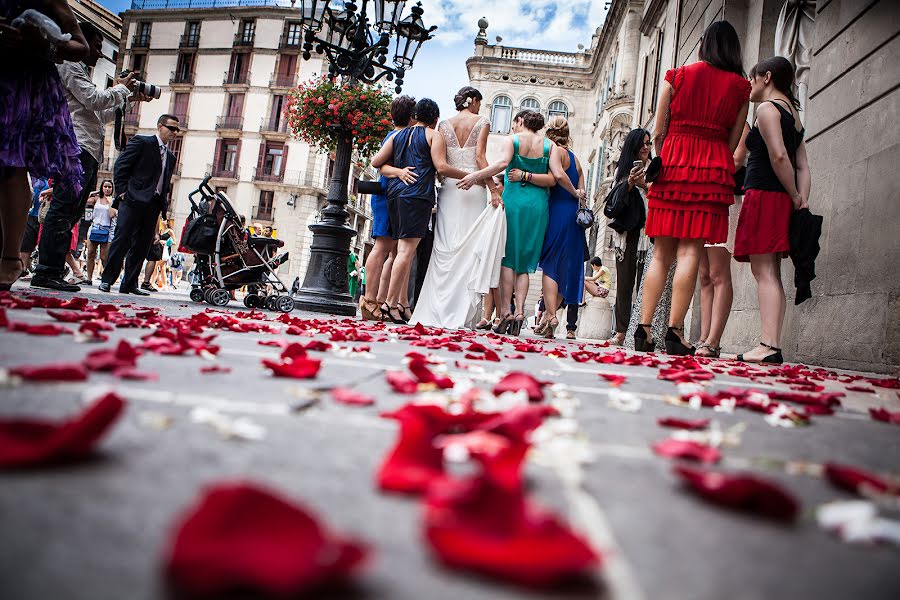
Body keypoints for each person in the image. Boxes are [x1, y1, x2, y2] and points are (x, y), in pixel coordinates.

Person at [637, 20, 750, 355]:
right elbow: (733, 141)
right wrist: (711, 153)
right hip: (712, 167)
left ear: (704, 44)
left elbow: (658, 132)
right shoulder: (741, 88)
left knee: (661, 253)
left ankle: (644, 331)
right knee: (690, 252)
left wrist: (665, 155)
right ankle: (674, 333)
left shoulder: (677, 75)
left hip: (673, 163)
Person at [31, 20, 143, 292]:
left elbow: (99, 114)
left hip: (87, 149)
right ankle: (46, 271)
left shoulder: (80, 71)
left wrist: (128, 98)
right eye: (95, 46)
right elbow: (94, 99)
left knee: (71, 213)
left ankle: (53, 271)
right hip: (75, 147)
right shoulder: (69, 65)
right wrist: (122, 89)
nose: (99, 53)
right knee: (63, 210)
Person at [459, 110, 581, 337]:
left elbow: (503, 164)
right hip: (537, 205)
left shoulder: (512, 140)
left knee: (508, 259)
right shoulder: (549, 146)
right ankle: (520, 311)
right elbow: (555, 178)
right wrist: (574, 192)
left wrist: (475, 176)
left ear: (520, 121)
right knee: (524, 262)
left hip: (513, 202)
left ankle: (505, 311)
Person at [0, 0, 89, 290]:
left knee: (12, 164)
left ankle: (10, 259)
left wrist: (42, 43)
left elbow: (81, 47)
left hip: (25, 81)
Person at [733, 56, 810, 364]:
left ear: (766, 77)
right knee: (770, 272)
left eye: (752, 79)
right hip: (779, 196)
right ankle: (771, 344)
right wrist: (801, 197)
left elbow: (779, 157)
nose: (750, 85)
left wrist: (793, 194)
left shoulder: (766, 109)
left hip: (765, 193)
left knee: (764, 271)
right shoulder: (794, 114)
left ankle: (769, 344)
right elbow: (802, 163)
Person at [409, 86, 506, 329]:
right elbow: (481, 159)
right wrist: (492, 188)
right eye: (479, 104)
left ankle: (436, 308)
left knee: (444, 248)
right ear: (472, 101)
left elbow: (439, 164)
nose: (479, 109)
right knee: (469, 248)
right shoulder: (482, 121)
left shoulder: (442, 125)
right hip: (473, 188)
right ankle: (461, 313)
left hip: (450, 190)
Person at [371, 98, 441, 325]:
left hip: (394, 195)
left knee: (399, 252)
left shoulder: (397, 136)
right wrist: (470, 176)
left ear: (416, 115)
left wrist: (399, 172)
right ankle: (389, 303)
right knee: (405, 253)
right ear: (435, 119)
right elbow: (441, 168)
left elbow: (376, 163)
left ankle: (395, 303)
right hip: (417, 195)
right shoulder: (432, 135)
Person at [99, 114, 179, 295]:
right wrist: (122, 193)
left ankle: (129, 284)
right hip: (132, 200)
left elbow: (164, 182)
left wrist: (161, 206)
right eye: (171, 128)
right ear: (160, 127)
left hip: (153, 205)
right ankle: (107, 280)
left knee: (142, 245)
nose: (175, 132)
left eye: (177, 129)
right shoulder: (142, 142)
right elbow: (121, 166)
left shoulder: (170, 157)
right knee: (122, 240)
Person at [529, 116, 587, 339]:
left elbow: (558, 175)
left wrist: (571, 192)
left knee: (551, 265)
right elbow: (583, 190)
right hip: (574, 217)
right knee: (565, 267)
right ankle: (549, 318)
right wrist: (578, 197)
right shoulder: (575, 157)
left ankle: (551, 314)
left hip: (558, 211)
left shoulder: (555, 151)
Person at [696, 122, 751, 357]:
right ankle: (703, 336)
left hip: (727, 200)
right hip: (705, 199)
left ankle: (714, 340)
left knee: (718, 273)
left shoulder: (742, 126)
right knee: (704, 275)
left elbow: (737, 160)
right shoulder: (712, 124)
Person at [359, 95, 415, 321]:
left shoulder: (394, 135)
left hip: (391, 197)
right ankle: (369, 300)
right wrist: (400, 172)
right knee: (381, 246)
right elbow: (379, 165)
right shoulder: (397, 136)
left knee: (391, 250)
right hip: (386, 196)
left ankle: (380, 301)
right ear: (412, 117)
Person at [605, 129, 651, 346]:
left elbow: (661, 196)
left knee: (645, 285)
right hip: (625, 234)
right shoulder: (621, 171)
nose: (645, 148)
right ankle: (622, 331)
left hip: (647, 234)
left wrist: (644, 185)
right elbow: (614, 203)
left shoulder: (655, 168)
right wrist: (630, 183)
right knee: (624, 285)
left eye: (648, 144)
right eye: (642, 144)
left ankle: (642, 330)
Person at [18, 177, 50, 280]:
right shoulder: (31, 176)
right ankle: (23, 270)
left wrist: (45, 193)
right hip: (30, 215)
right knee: (25, 244)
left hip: (44, 216)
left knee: (43, 246)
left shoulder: (51, 178)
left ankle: (39, 272)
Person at [84, 179, 116, 283]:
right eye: (105, 186)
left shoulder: (114, 201)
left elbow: (112, 214)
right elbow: (84, 199)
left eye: (109, 187)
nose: (107, 189)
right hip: (94, 228)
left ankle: (106, 279)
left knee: (104, 257)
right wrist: (93, 192)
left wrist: (110, 202)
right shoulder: (96, 199)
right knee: (90, 253)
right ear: (101, 188)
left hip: (107, 231)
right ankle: (89, 278)